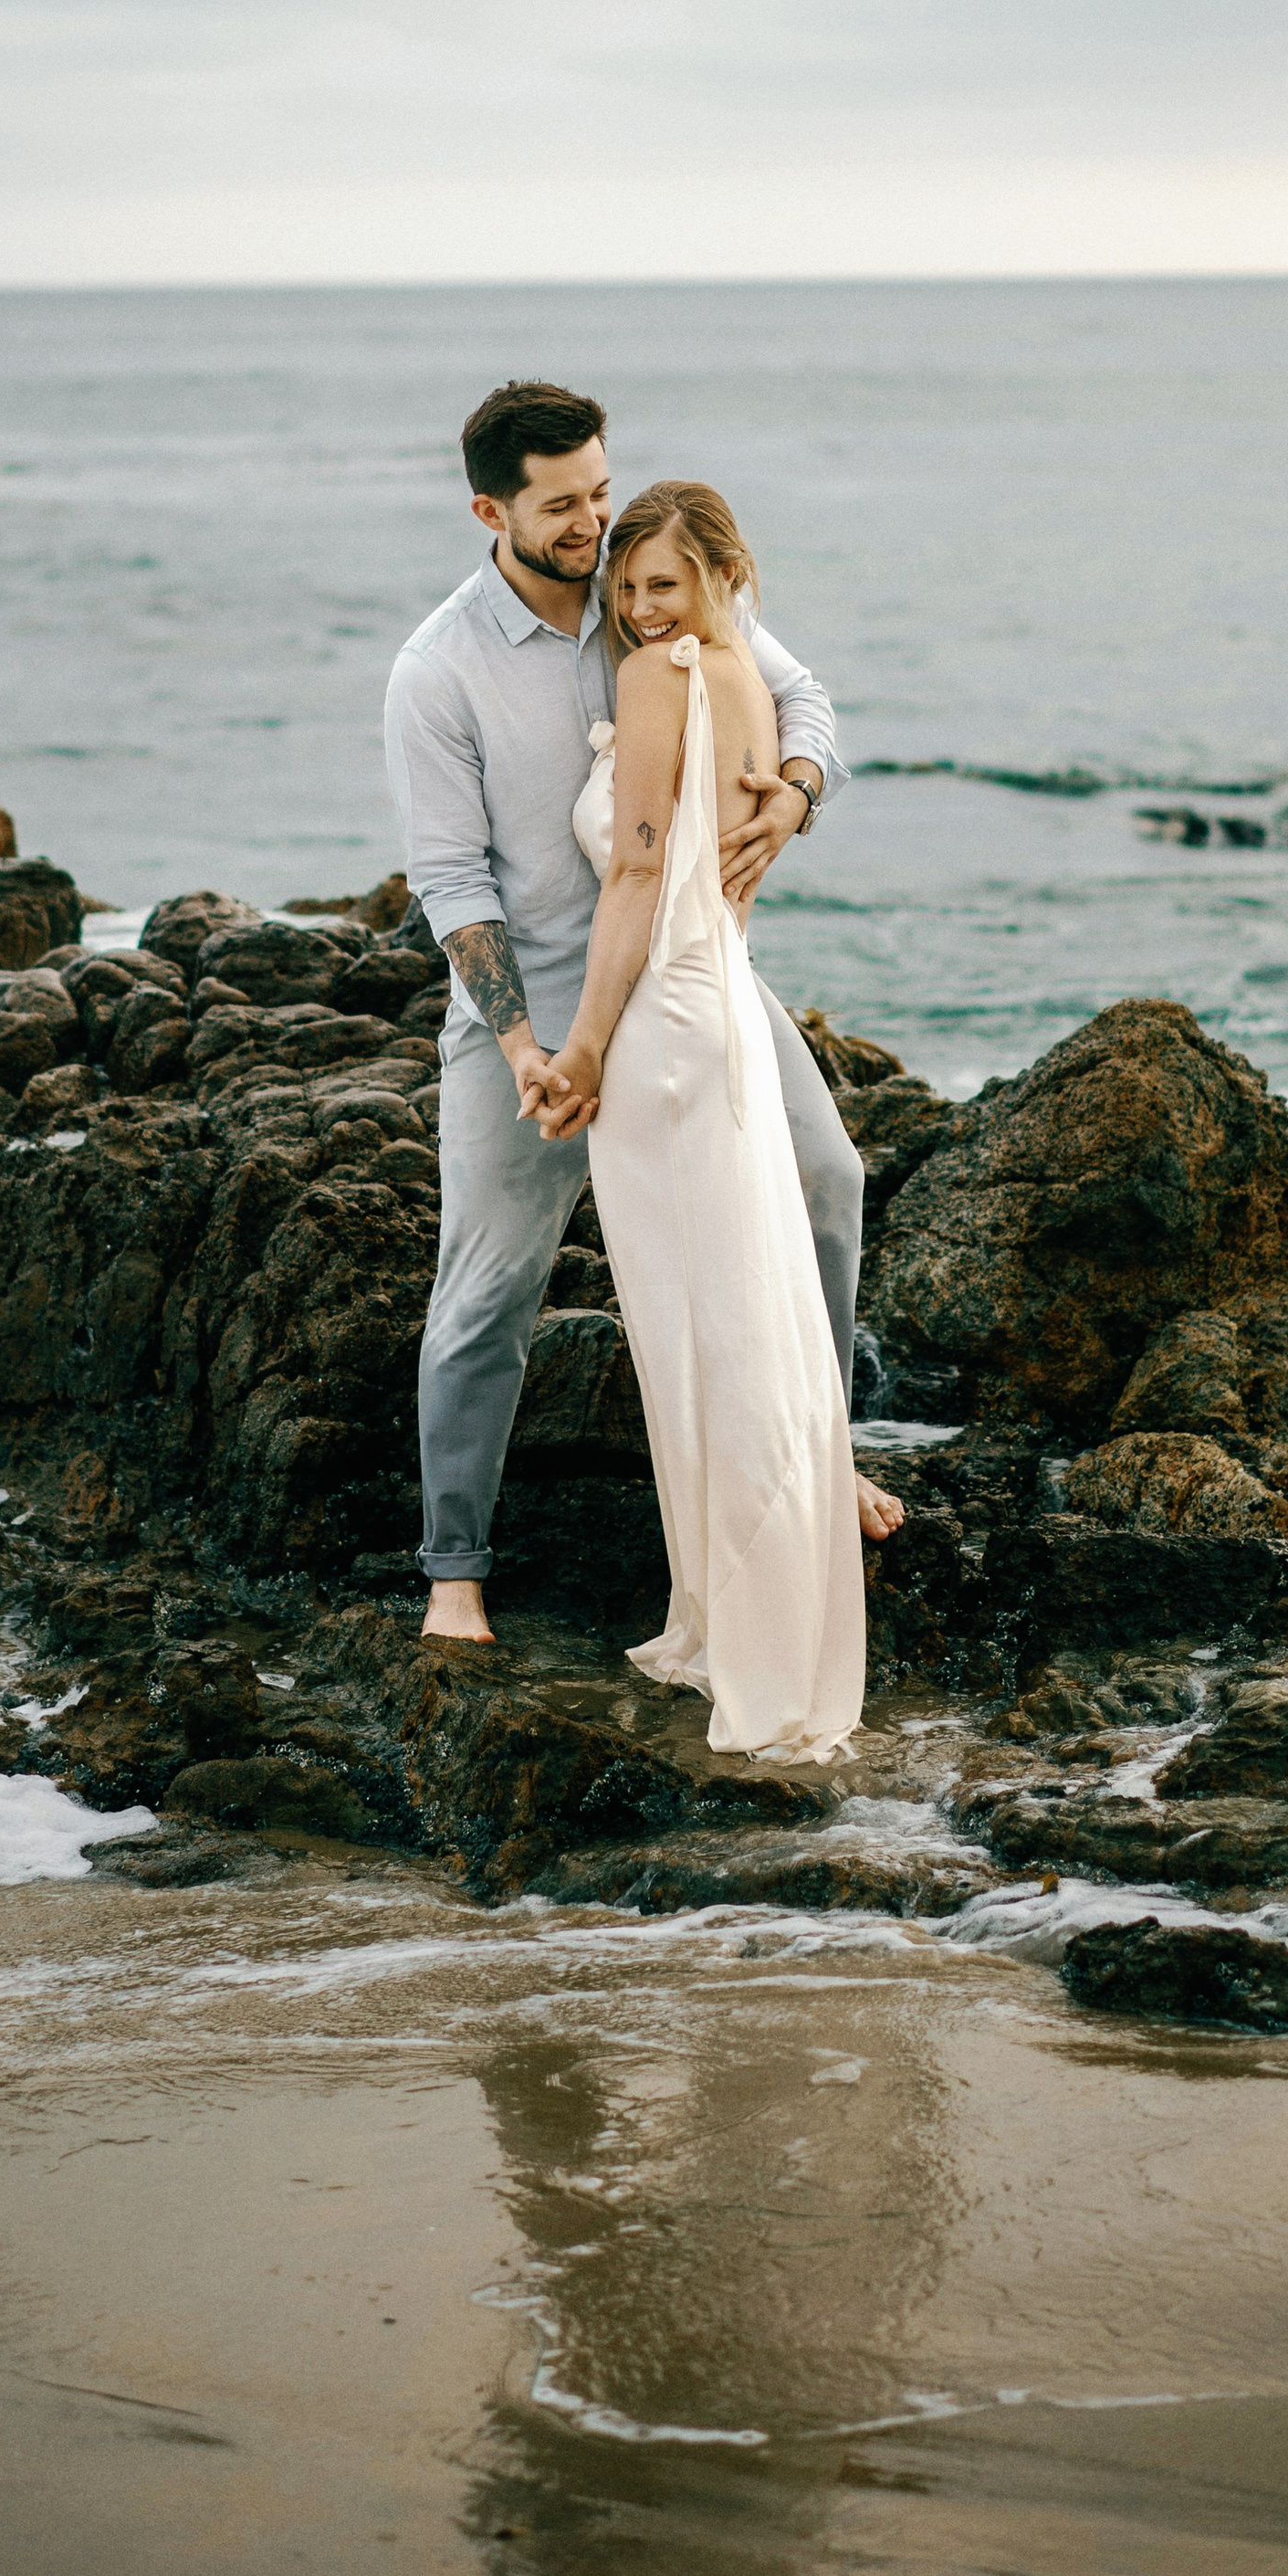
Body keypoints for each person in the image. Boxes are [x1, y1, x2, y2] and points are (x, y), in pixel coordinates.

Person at [383, 380, 900, 1654]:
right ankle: (456, 1573)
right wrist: (521, 1046)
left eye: (601, 491)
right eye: (562, 504)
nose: (592, 522)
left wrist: (794, 791)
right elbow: (451, 883)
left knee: (827, 1184)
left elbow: (806, 694)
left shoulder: (650, 587)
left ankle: (818, 1460)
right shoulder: (437, 669)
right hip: (536, 1013)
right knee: (489, 1288)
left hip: (691, 975)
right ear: (488, 508)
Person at [534, 480, 896, 1760]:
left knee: (701, 1331)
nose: (637, 609)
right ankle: (737, 1618)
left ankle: (740, 1633)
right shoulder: (742, 673)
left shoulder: (655, 680)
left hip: (668, 1035)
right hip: (727, 1008)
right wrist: (797, 787)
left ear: (723, 575)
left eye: (662, 585)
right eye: (625, 589)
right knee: (749, 1313)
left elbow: (636, 868)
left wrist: (582, 1043)